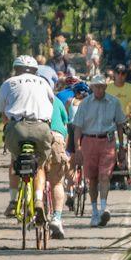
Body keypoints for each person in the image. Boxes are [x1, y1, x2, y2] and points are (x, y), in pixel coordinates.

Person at [0, 55, 55, 219]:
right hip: (41, 127)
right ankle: (38, 200)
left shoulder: (8, 83)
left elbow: (3, 113)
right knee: (39, 166)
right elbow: (51, 103)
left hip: (17, 128)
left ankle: (13, 201)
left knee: (15, 161)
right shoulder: (43, 83)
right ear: (35, 70)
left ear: (16, 69)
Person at [71, 74, 126, 226]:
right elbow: (78, 128)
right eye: (96, 86)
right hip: (89, 141)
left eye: (102, 86)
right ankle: (94, 212)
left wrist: (121, 146)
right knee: (92, 178)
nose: (99, 89)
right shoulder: (85, 104)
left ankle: (103, 209)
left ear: (105, 87)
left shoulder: (114, 102)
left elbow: (120, 125)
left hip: (107, 141)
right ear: (92, 87)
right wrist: (78, 148)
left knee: (105, 176)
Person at [44, 93, 70, 239]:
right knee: (57, 182)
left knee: (37, 174)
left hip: (36, 138)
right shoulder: (57, 101)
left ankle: (36, 203)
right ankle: (57, 217)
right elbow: (65, 124)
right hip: (56, 137)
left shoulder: (31, 98)